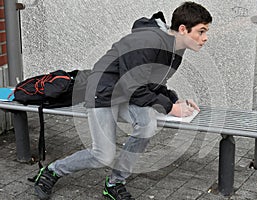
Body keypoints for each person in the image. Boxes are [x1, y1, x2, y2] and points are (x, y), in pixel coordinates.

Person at [33, 2, 212, 200]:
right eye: (201, 31)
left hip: (128, 94)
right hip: (104, 92)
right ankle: (53, 170)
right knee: (103, 155)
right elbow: (134, 87)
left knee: (147, 125)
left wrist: (176, 100)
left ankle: (114, 183)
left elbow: (152, 83)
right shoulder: (147, 41)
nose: (205, 38)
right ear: (183, 29)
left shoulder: (176, 49)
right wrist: (171, 109)